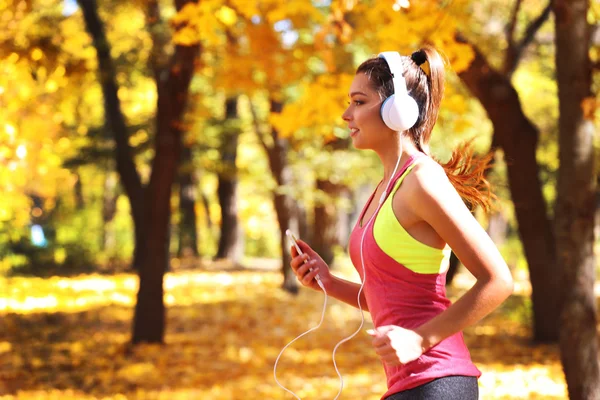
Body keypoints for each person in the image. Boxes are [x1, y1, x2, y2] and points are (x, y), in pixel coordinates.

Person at [289, 46, 513, 400]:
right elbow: (390, 298)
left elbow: (498, 280)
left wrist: (420, 339)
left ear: (398, 110)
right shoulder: (385, 187)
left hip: (438, 379)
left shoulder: (422, 180)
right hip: (406, 385)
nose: (347, 114)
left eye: (359, 102)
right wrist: (328, 282)